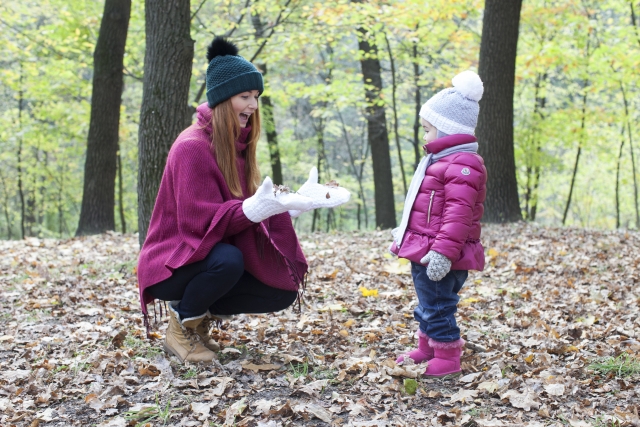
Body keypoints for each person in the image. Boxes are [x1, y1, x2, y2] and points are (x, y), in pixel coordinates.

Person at [137, 37, 349, 364]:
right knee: (228, 260)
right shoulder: (191, 147)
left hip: (207, 253)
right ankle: (181, 325)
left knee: (280, 287)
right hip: (173, 260)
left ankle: (197, 318)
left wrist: (287, 206)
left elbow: (245, 208)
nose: (252, 105)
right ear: (223, 100)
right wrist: (257, 208)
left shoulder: (237, 143)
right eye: (244, 96)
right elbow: (199, 227)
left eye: (256, 97)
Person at [390, 70, 487, 378]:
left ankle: (447, 358)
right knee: (428, 301)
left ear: (447, 130)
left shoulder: (462, 165)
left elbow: (459, 215)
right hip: (426, 248)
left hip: (443, 253)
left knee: (439, 305)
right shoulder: (441, 161)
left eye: (428, 129)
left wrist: (444, 253)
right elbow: (424, 208)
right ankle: (427, 347)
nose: (424, 136)